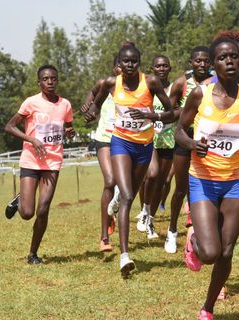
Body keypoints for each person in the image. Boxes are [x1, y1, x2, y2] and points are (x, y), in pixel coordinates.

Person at [175, 37, 239, 320]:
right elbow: (179, 131)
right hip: (203, 180)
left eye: (234, 57)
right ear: (213, 64)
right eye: (222, 58)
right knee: (209, 252)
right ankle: (193, 241)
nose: (229, 61)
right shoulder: (200, 94)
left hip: (233, 182)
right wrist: (193, 145)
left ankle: (207, 308)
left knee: (227, 250)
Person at [84, 43, 173, 277]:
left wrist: (151, 115)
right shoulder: (111, 83)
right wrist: (91, 112)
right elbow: (96, 101)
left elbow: (172, 111)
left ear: (139, 63)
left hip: (145, 145)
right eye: (126, 62)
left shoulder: (151, 83)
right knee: (127, 196)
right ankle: (124, 256)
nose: (130, 65)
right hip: (121, 143)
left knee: (131, 192)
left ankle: (113, 206)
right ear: (119, 64)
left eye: (134, 61)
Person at [4, 64, 75, 264]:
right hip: (31, 159)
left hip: (53, 160)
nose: (50, 82)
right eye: (46, 79)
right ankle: (20, 200)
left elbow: (69, 129)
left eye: (53, 78)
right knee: (27, 213)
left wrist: (70, 132)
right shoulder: (31, 102)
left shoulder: (65, 105)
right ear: (39, 82)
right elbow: (9, 126)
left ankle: (33, 254)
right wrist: (31, 139)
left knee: (43, 209)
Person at [155, 46, 211, 254]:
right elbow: (169, 113)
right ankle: (171, 231)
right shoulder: (181, 82)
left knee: (206, 187)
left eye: (206, 61)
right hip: (184, 138)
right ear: (191, 62)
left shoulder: (216, 82)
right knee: (180, 188)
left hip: (207, 141)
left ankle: (200, 230)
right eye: (198, 61)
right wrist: (182, 111)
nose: (202, 65)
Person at [80, 56, 121, 252]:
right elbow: (94, 93)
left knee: (125, 186)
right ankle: (104, 237)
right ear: (114, 68)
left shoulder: (139, 87)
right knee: (110, 181)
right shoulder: (106, 84)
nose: (123, 69)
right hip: (104, 138)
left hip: (126, 140)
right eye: (119, 66)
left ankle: (113, 209)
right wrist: (89, 106)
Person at [136, 55, 175, 242]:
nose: (161, 68)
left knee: (162, 181)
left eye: (165, 66)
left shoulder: (175, 87)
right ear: (152, 69)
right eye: (158, 66)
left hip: (168, 139)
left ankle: (150, 219)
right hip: (149, 137)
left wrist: (157, 116)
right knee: (150, 176)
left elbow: (178, 112)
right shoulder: (146, 86)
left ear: (170, 68)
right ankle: (144, 208)